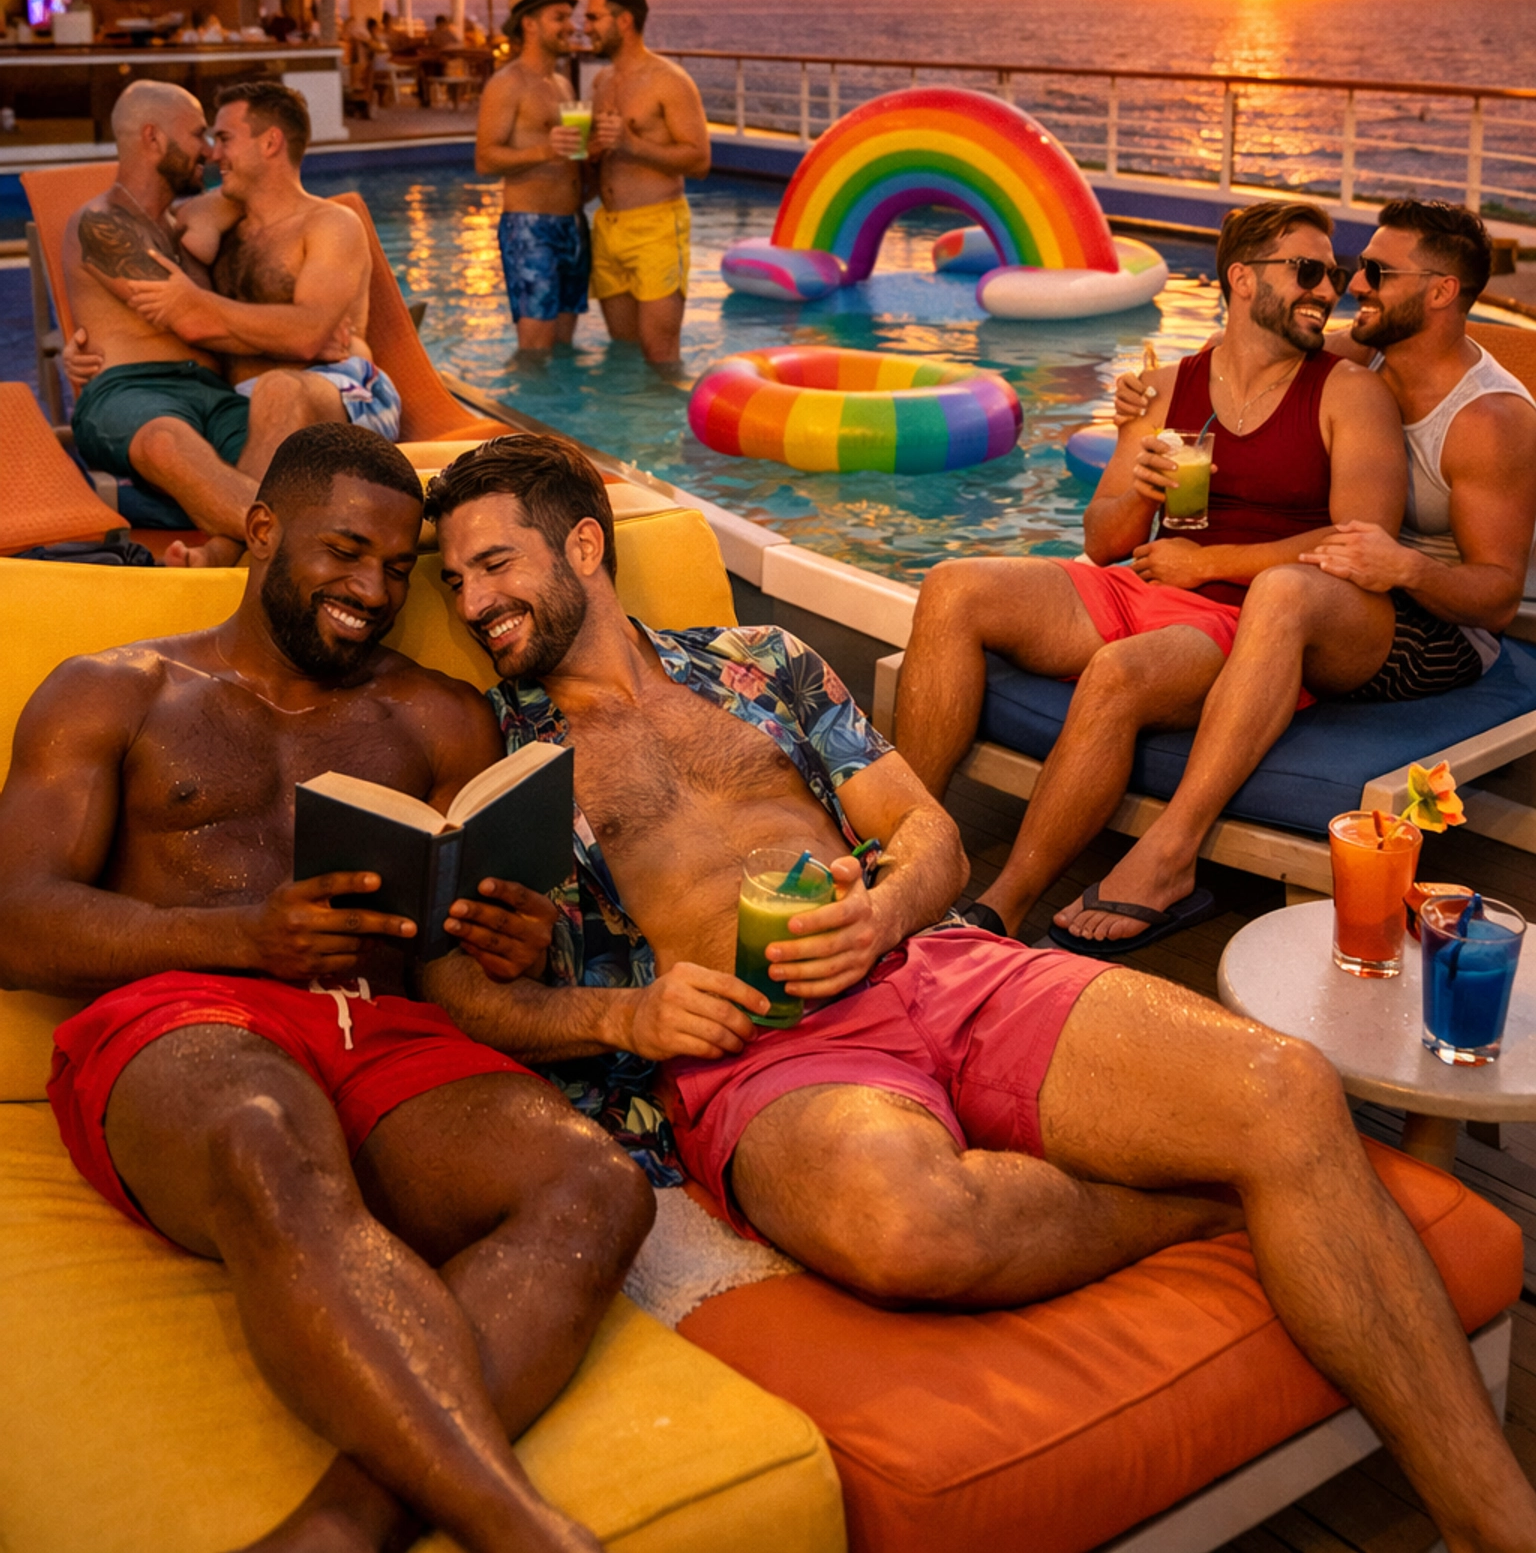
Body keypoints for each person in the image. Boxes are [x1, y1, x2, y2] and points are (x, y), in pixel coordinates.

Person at [408, 431, 1533, 1553]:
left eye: (496, 564)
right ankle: (1205, 1203)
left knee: (1283, 1085)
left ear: (586, 548)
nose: (472, 600)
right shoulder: (496, 758)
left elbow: (928, 833)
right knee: (909, 1226)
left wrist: (888, 910)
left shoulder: (758, 659)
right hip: (759, 1051)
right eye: (455, 581)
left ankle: (1497, 1521)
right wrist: (626, 1015)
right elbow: (458, 990)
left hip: (933, 962)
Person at [0, 424, 651, 1553]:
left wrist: (502, 938)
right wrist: (244, 936)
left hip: (385, 1031)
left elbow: (450, 963)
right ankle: (533, 1535)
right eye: (346, 551)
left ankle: (339, 1532)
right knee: (262, 1135)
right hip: (187, 1015)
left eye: (401, 570)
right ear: (261, 531)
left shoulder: (441, 715)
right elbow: (12, 918)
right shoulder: (119, 691)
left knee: (596, 1183)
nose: (374, 591)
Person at [894, 200, 1410, 949]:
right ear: (1241, 278)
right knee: (952, 586)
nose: (1327, 291)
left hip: (1244, 618)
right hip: (1147, 583)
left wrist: (1207, 564)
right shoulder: (1166, 386)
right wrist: (1137, 481)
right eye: (1308, 271)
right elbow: (1102, 543)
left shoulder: (1346, 392)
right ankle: (914, 844)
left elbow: (1360, 539)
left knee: (1118, 671)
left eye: (1332, 275)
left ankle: (1002, 907)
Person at [1115, 198, 1536, 678]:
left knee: (1269, 612)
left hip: (1442, 624)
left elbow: (1500, 601)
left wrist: (1406, 568)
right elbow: (1237, 351)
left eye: (1377, 273)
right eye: (1358, 270)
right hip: (1352, 587)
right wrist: (1141, 391)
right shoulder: (1365, 350)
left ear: (1441, 292)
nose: (1354, 286)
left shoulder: (1490, 419)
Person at [66, 79, 401, 567]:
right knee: (189, 443)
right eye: (202, 136)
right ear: (154, 138)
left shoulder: (308, 222)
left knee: (275, 443)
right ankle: (307, 551)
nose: (209, 152)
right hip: (148, 395)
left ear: (269, 142)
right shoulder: (115, 222)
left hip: (229, 395)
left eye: (221, 138)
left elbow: (206, 314)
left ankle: (227, 550)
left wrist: (291, 329)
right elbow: (192, 318)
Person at [583, 0, 710, 368]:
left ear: (623, 21)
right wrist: (590, 150)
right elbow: (597, 157)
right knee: (622, 351)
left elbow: (699, 160)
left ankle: (667, 428)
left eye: (593, 17)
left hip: (656, 227)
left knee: (660, 355)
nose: (585, 26)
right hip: (608, 226)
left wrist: (632, 144)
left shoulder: (668, 81)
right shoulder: (601, 82)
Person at [475, 0, 591, 353]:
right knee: (535, 347)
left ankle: (557, 412)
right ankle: (517, 413)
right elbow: (485, 158)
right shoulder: (507, 83)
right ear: (529, 23)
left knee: (563, 345)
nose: (571, 26)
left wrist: (598, 146)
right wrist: (544, 151)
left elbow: (574, 157)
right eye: (559, 17)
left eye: (570, 18)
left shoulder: (562, 84)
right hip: (530, 227)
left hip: (572, 225)